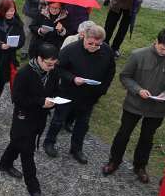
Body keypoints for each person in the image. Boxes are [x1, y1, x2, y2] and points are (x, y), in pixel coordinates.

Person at [0, 43, 61, 196]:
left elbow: (54, 90)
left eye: (54, 64)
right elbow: (17, 99)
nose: (52, 68)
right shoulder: (24, 74)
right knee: (27, 152)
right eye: (48, 64)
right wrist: (41, 102)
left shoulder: (52, 72)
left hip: (39, 118)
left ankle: (5, 163)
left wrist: (54, 100)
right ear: (39, 59)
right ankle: (34, 188)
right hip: (23, 117)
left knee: (17, 142)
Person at [42, 25, 115, 164]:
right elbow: (56, 68)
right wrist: (72, 78)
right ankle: (49, 142)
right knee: (58, 119)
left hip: (89, 96)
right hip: (68, 92)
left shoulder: (107, 51)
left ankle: (76, 149)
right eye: (90, 43)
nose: (93, 46)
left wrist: (102, 90)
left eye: (97, 44)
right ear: (84, 37)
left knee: (83, 124)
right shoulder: (70, 50)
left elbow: (110, 71)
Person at [103, 29, 165, 183]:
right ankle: (114, 161)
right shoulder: (138, 55)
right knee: (124, 133)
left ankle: (140, 166)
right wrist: (138, 90)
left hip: (157, 109)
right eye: (162, 48)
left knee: (147, 137)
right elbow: (125, 77)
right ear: (156, 42)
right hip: (134, 104)